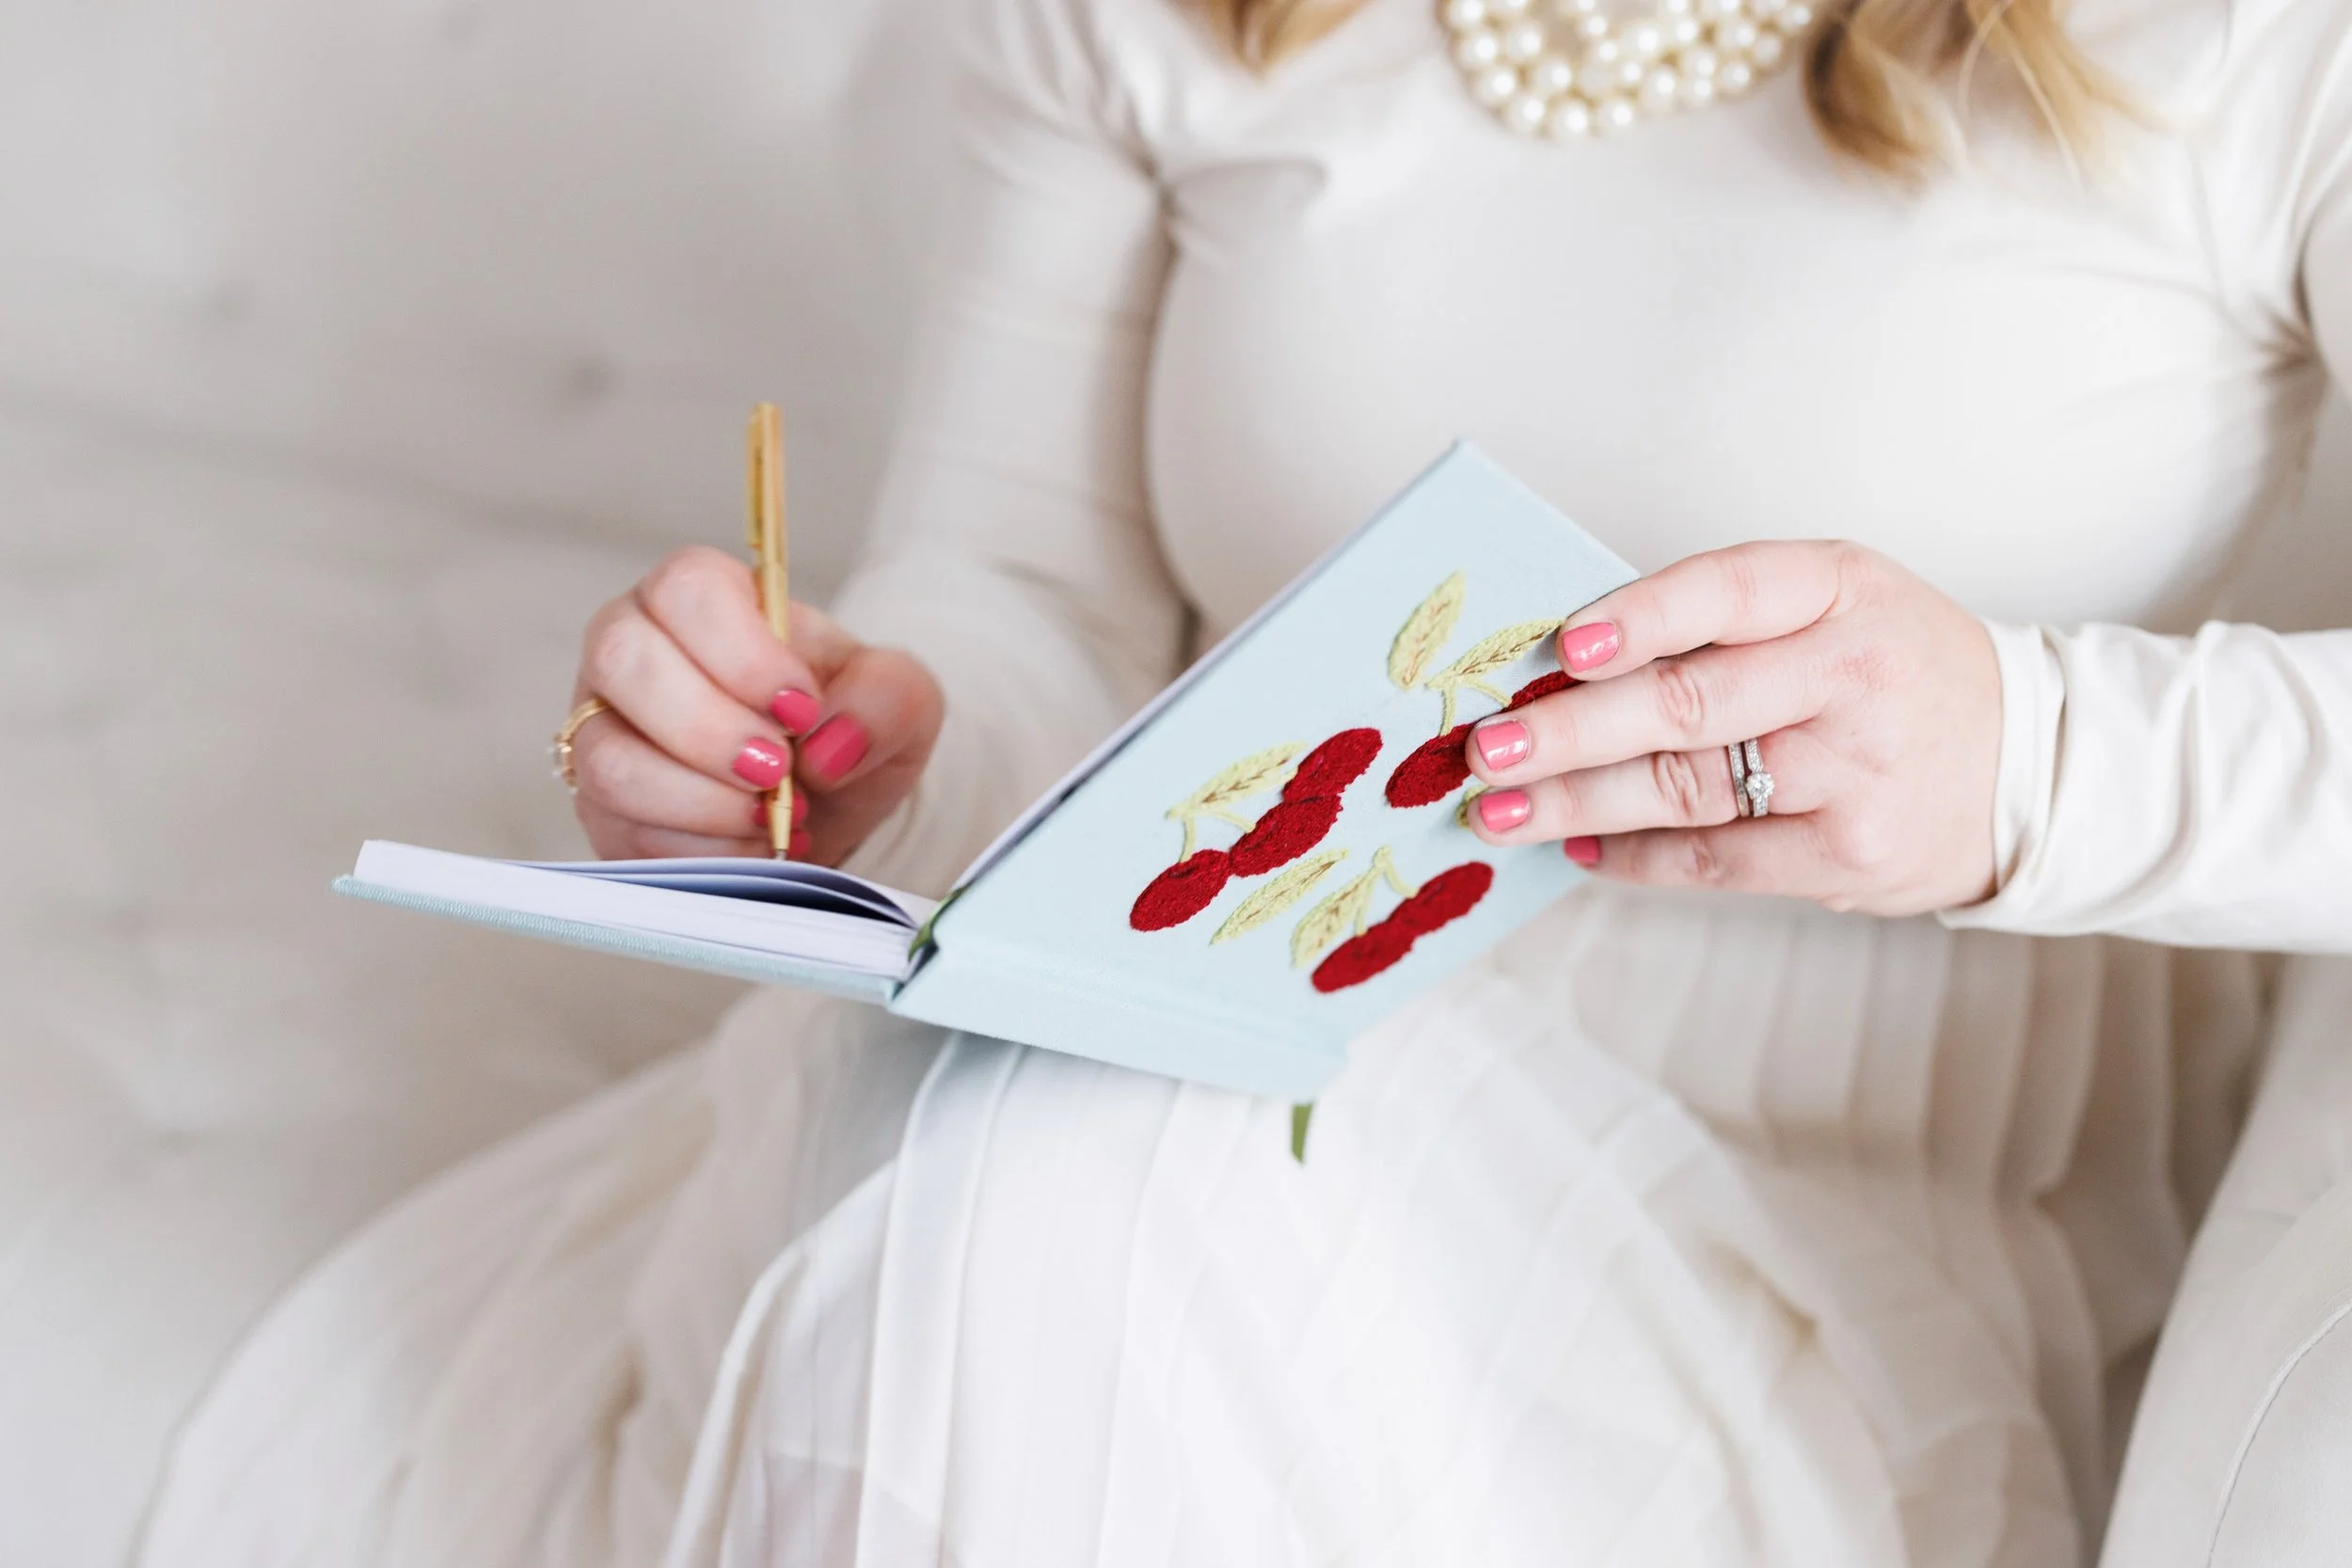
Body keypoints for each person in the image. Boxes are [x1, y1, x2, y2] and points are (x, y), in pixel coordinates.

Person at [142, 0, 2352, 1562]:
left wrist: (2035, 756)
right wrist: (860, 751)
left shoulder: (2256, 45)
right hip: (1201, 1073)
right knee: (1025, 1159)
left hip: (1857, 1226)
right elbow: (1022, 591)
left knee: (1038, 1186)